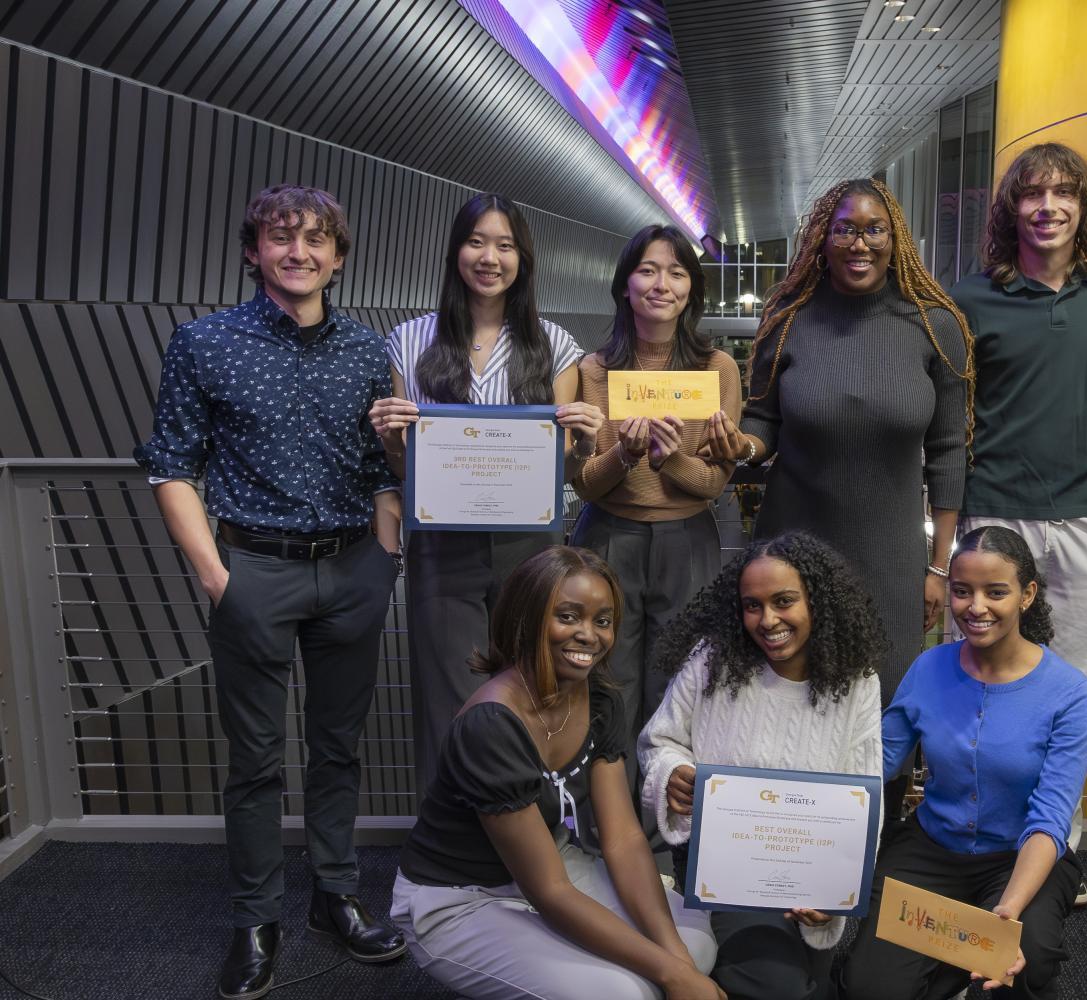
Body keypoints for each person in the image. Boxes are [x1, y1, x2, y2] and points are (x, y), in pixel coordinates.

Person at [134, 184, 408, 1000]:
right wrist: (217, 579)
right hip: (253, 570)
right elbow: (172, 465)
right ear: (253, 251)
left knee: (338, 748)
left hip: (354, 567)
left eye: (317, 239)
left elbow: (381, 474)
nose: (301, 252)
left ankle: (335, 898)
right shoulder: (203, 343)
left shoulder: (367, 352)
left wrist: (385, 550)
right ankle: (256, 919)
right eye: (282, 238)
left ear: (339, 255)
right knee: (254, 762)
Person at [389, 546, 722, 1000]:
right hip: (460, 898)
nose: (589, 634)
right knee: (621, 992)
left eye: (602, 621)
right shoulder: (490, 724)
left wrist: (678, 962)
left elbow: (622, 839)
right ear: (527, 620)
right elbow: (548, 890)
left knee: (696, 947)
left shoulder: (601, 700)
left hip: (556, 865)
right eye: (568, 616)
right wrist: (671, 975)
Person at [698, 177, 973, 704]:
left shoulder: (936, 327)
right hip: (793, 551)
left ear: (896, 241)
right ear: (824, 239)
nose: (860, 243)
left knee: (884, 707)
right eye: (845, 229)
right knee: (785, 702)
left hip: (891, 558)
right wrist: (743, 447)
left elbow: (948, 455)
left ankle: (879, 795)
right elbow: (763, 423)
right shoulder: (788, 319)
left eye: (875, 230)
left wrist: (939, 567)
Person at [365, 193, 603, 797]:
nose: (489, 258)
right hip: (441, 540)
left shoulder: (556, 345)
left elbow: (571, 470)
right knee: (449, 697)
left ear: (523, 258)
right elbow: (400, 463)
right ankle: (448, 853)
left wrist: (583, 441)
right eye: (477, 242)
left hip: (532, 543)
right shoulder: (411, 340)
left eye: (505, 246)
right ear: (455, 251)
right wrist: (391, 437)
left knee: (532, 687)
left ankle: (528, 838)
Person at [948, 143, 1087, 904]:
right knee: (985, 685)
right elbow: (947, 418)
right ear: (1009, 210)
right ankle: (983, 849)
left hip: (1085, 516)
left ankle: (1058, 857)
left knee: (1073, 691)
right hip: (993, 515)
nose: (1047, 206)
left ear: (1083, 208)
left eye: (1063, 193)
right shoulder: (970, 299)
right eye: (1032, 194)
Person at [844, 526, 1087, 1000]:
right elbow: (873, 766)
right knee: (869, 989)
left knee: (1020, 967)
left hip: (1017, 860)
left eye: (995, 592)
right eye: (962, 591)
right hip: (929, 850)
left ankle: (957, 962)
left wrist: (1008, 911)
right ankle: (948, 967)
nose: (975, 607)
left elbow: (1050, 821)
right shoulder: (928, 666)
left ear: (1027, 595)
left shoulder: (1069, 694)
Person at [639, 531, 886, 1000]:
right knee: (784, 988)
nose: (767, 619)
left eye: (784, 601)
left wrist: (835, 895)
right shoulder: (711, 660)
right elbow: (659, 741)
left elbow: (865, 793)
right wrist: (672, 774)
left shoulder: (858, 683)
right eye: (752, 605)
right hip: (726, 868)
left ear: (818, 601)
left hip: (811, 870)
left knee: (812, 981)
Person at [571, 224, 743, 750]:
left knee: (681, 682)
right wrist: (624, 456)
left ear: (692, 287)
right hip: (607, 536)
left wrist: (669, 461)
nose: (661, 283)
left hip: (687, 540)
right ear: (625, 285)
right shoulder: (593, 370)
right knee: (606, 679)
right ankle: (607, 823)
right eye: (647, 270)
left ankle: (666, 821)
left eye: (676, 272)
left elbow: (713, 483)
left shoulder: (717, 369)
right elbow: (585, 485)